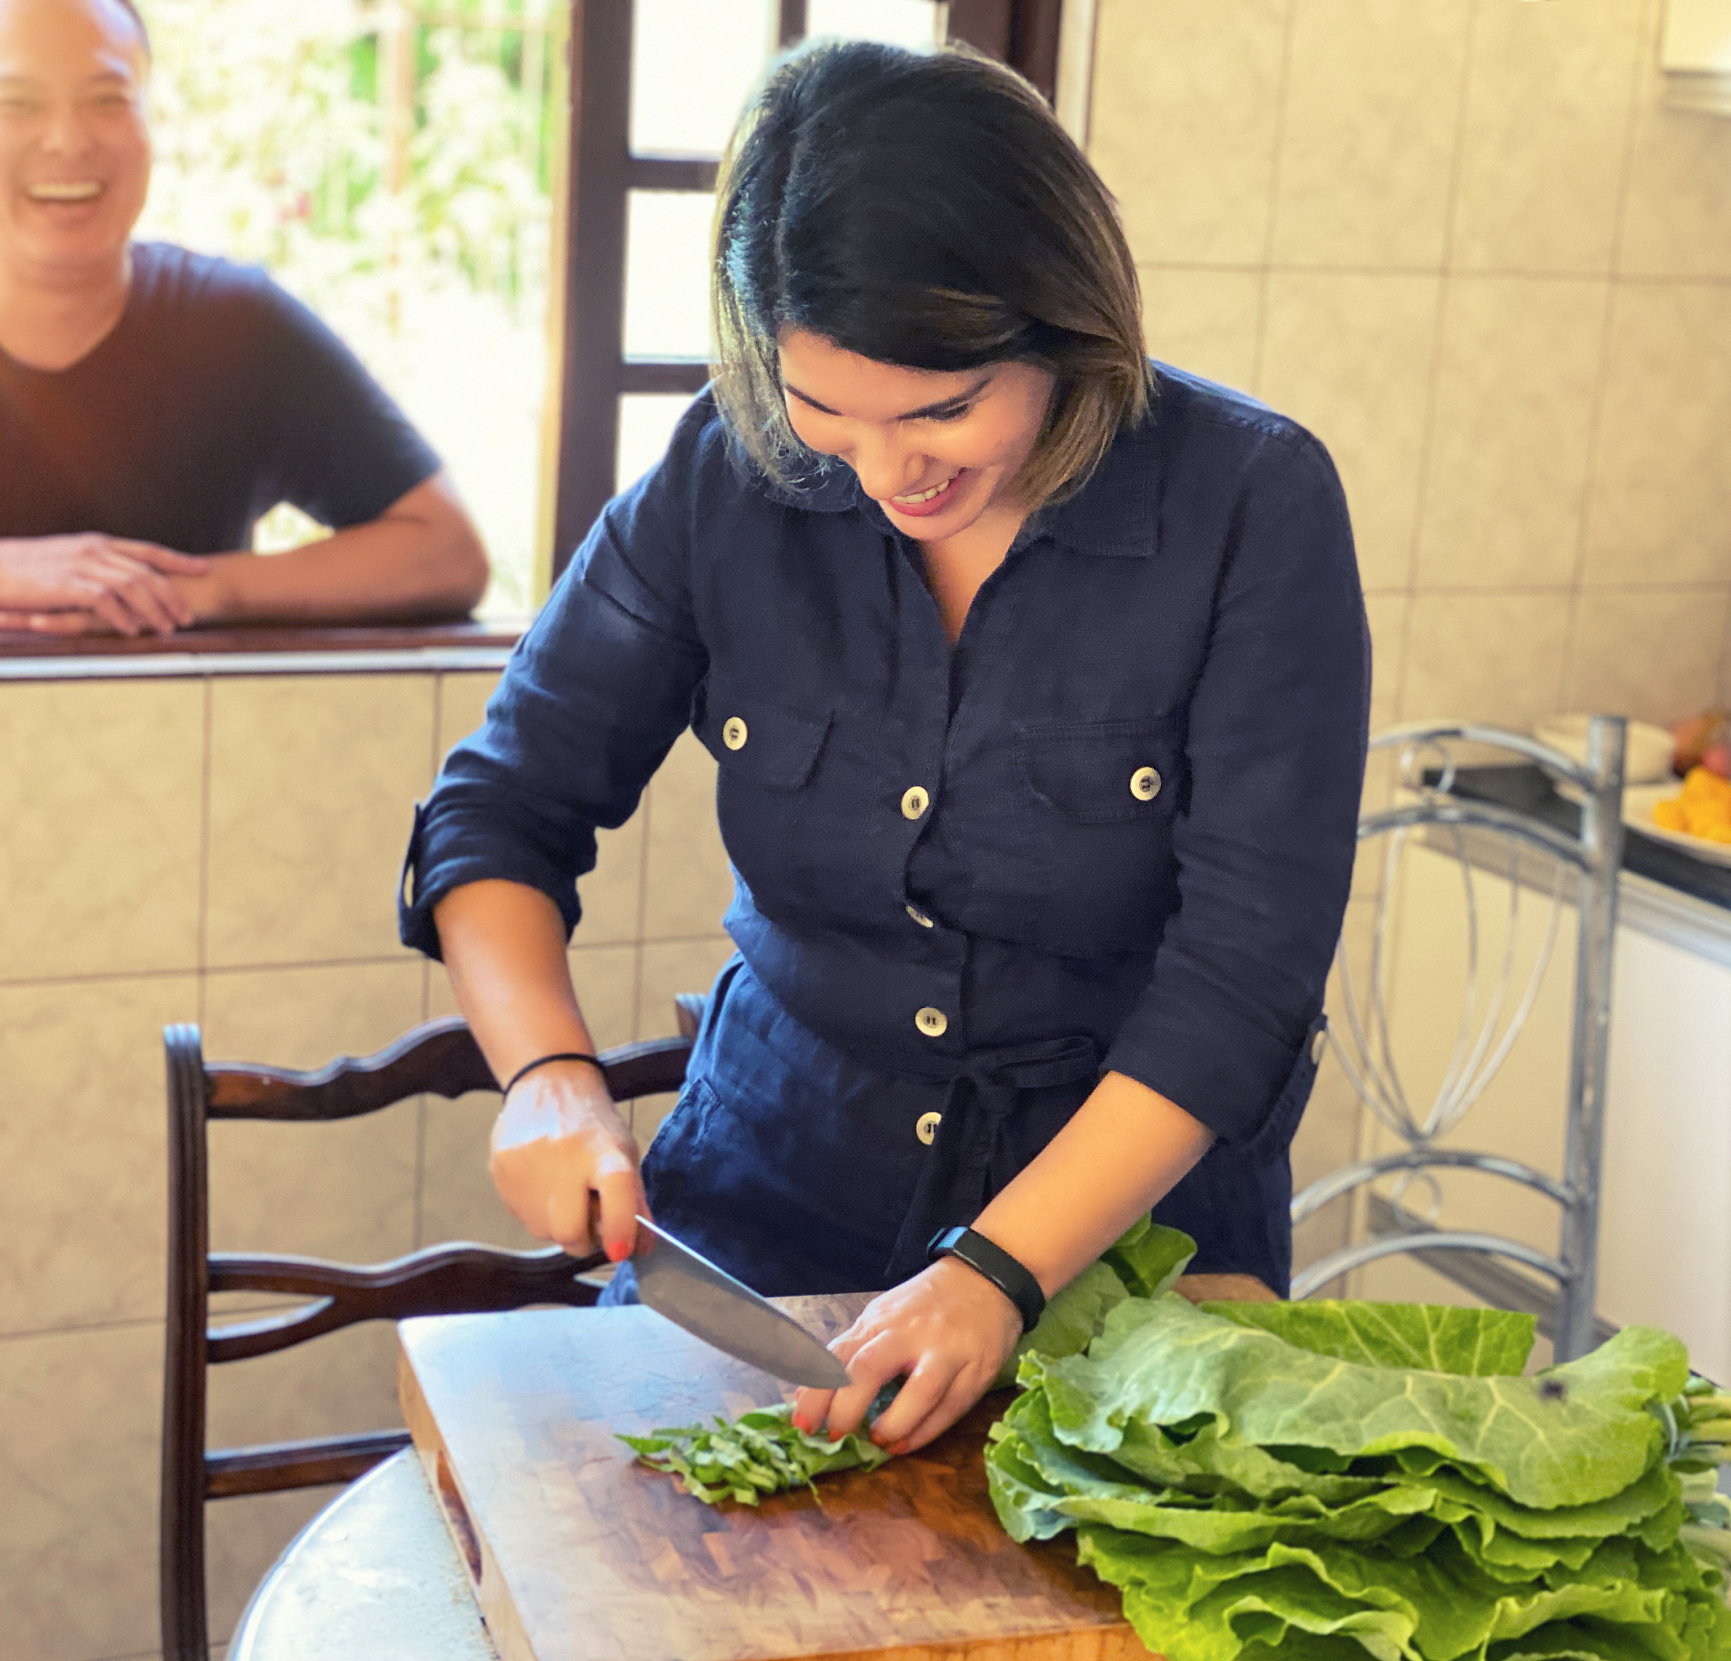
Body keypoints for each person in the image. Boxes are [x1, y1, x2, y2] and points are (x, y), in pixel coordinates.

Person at [400, 43, 1368, 1458]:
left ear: (1064, 324)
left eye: (940, 410)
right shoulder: (727, 472)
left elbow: (1244, 976)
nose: (885, 472)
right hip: (767, 1196)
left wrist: (998, 1270)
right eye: (827, 413)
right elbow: (500, 806)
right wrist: (548, 1074)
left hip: (1134, 1247)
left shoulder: (1250, 504)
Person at [0, 0, 488, 636]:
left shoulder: (234, 325)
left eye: (107, 100)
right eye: (17, 103)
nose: (69, 140)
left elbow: (446, 548)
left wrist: (203, 590)